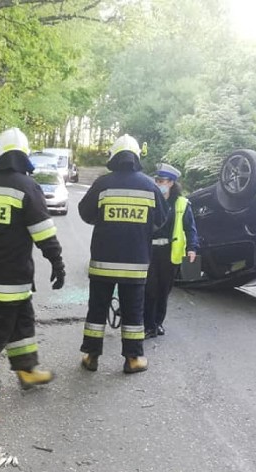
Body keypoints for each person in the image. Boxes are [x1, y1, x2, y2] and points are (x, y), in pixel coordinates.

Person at [0, 127, 66, 397]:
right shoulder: (28, 187)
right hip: (13, 274)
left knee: (22, 320)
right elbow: (43, 232)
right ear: (24, 156)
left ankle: (27, 369)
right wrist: (57, 262)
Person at [77, 135, 170, 374]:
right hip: (136, 264)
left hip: (102, 263)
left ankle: (91, 356)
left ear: (114, 156)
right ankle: (133, 359)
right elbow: (160, 219)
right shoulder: (150, 186)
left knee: (97, 309)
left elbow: (85, 213)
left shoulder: (102, 184)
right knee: (134, 312)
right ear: (136, 157)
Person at [144, 163, 199, 338]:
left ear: (171, 183)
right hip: (150, 251)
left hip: (170, 253)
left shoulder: (182, 203)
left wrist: (192, 248)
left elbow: (190, 228)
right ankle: (148, 325)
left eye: (162, 181)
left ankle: (158, 323)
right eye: (157, 180)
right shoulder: (150, 200)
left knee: (164, 290)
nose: (158, 183)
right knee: (150, 289)